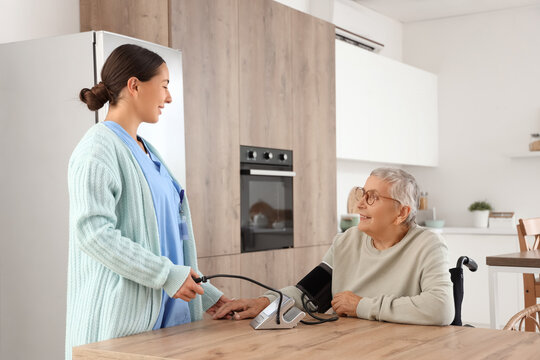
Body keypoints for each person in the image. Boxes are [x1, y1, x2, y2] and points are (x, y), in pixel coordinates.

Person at [65, 44, 229, 359]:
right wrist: (167, 276)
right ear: (135, 85)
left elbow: (167, 242)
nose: (169, 97)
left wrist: (207, 296)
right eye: (165, 86)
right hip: (122, 333)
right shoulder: (97, 150)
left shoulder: (147, 150)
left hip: (169, 328)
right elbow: (94, 233)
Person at [214, 168, 454, 326]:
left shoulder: (428, 244)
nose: (360, 204)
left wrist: (361, 305)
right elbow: (309, 295)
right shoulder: (346, 241)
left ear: (401, 212)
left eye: (372, 197)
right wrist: (265, 302)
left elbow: (440, 308)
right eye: (362, 194)